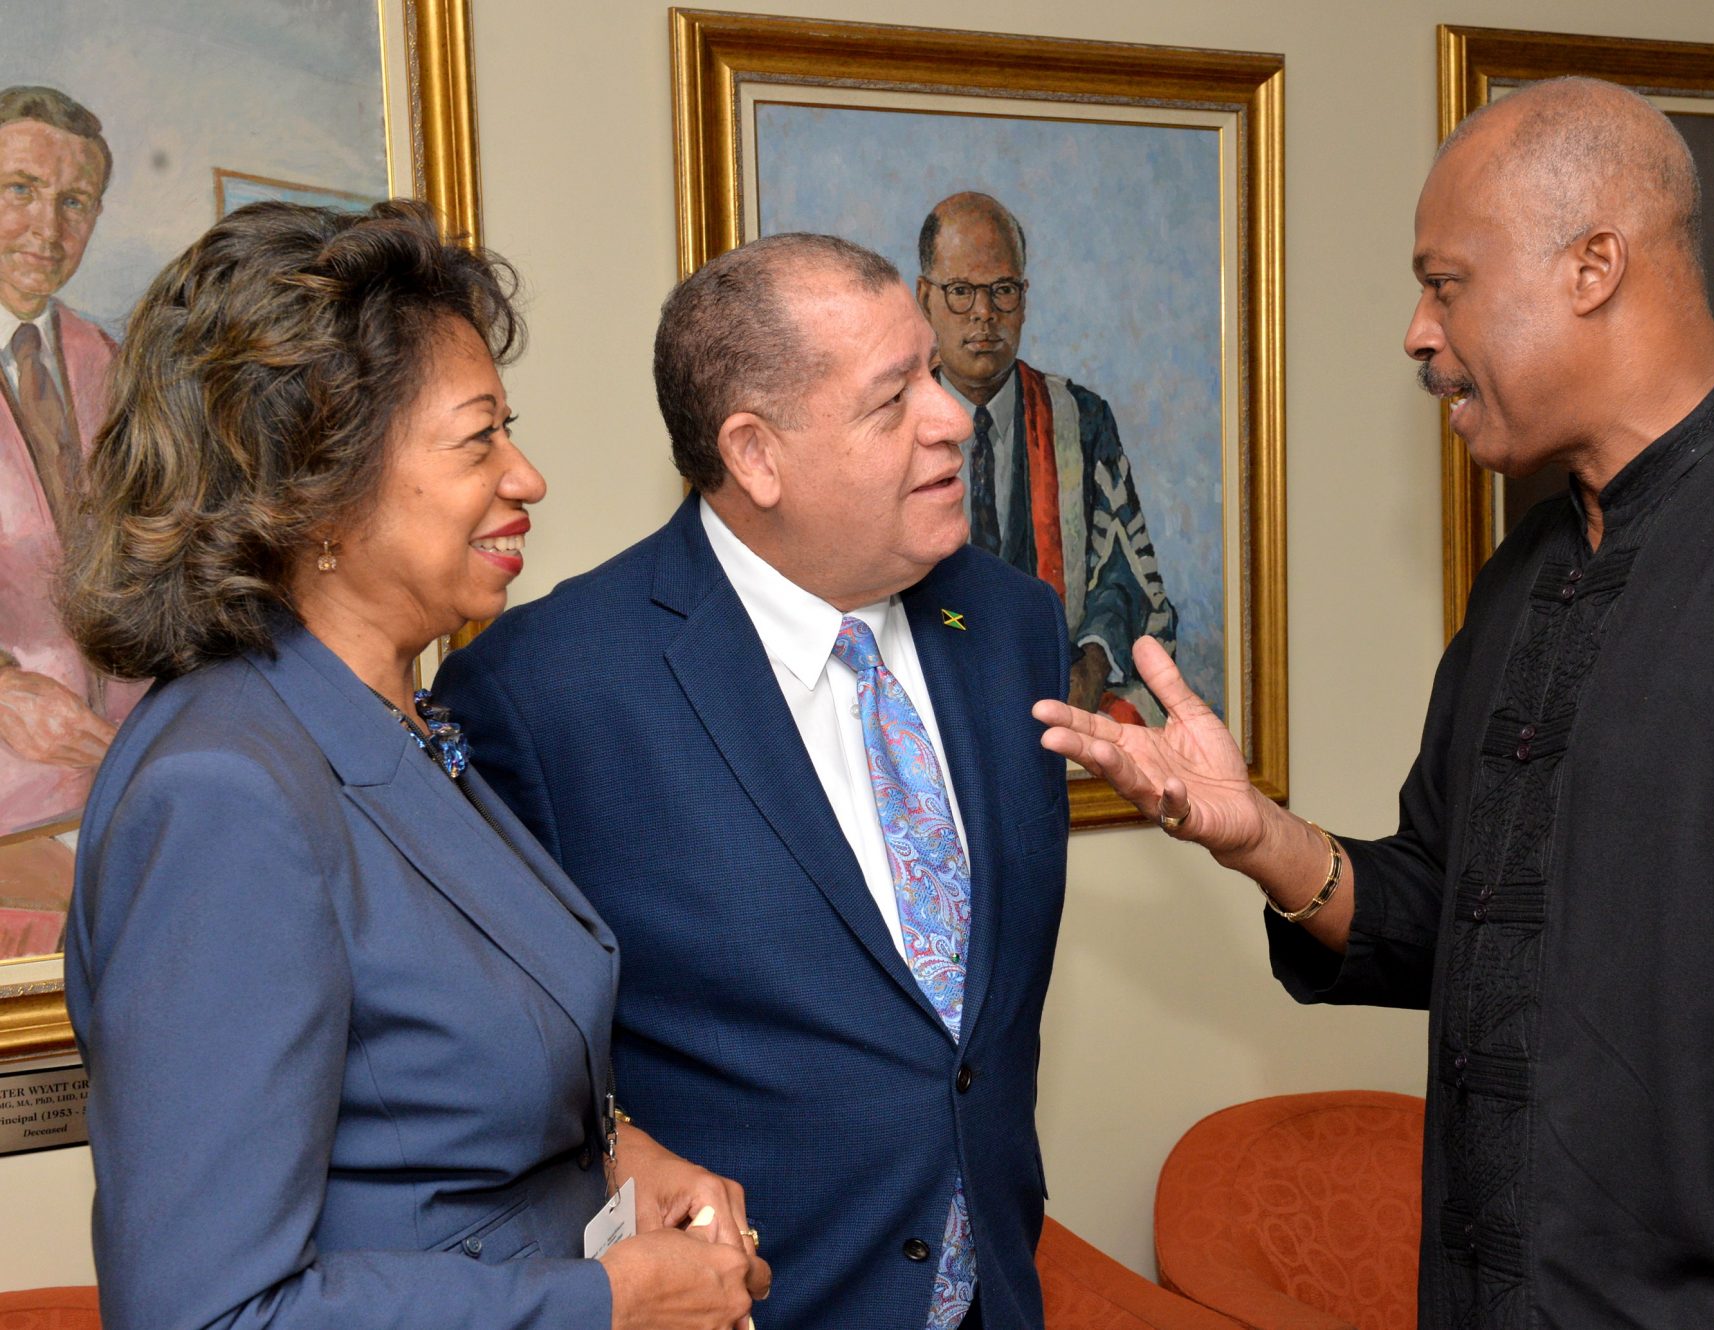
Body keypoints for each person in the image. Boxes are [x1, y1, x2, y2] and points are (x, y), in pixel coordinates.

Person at [1038, 78, 1714, 1330]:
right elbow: (1449, 921)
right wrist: (1258, 835)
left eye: (1443, 281)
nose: (1414, 329)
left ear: (1592, 266)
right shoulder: (1524, 575)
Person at [62, 200, 769, 1330]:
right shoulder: (223, 793)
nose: (526, 476)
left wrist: (621, 1163)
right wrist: (597, 1308)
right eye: (478, 436)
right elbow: (204, 1315)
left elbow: (435, 1104)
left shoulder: (396, 721)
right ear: (321, 487)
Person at [434, 232, 1071, 1329]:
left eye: (932, 369)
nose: (953, 415)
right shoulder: (544, 693)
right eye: (893, 398)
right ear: (755, 454)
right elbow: (509, 1079)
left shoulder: (1011, 625)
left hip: (993, 1295)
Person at [916, 191, 1176, 724]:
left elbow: (1123, 576)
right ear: (925, 298)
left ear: (1025, 298)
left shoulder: (1080, 420)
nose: (984, 314)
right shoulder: (896, 424)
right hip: (931, 688)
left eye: (1003, 291)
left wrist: (1093, 662)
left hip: (1061, 688)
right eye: (961, 291)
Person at [0, 85, 146, 947]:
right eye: (18, 189)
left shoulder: (110, 361)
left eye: (73, 202)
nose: (46, 230)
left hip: (121, 796)